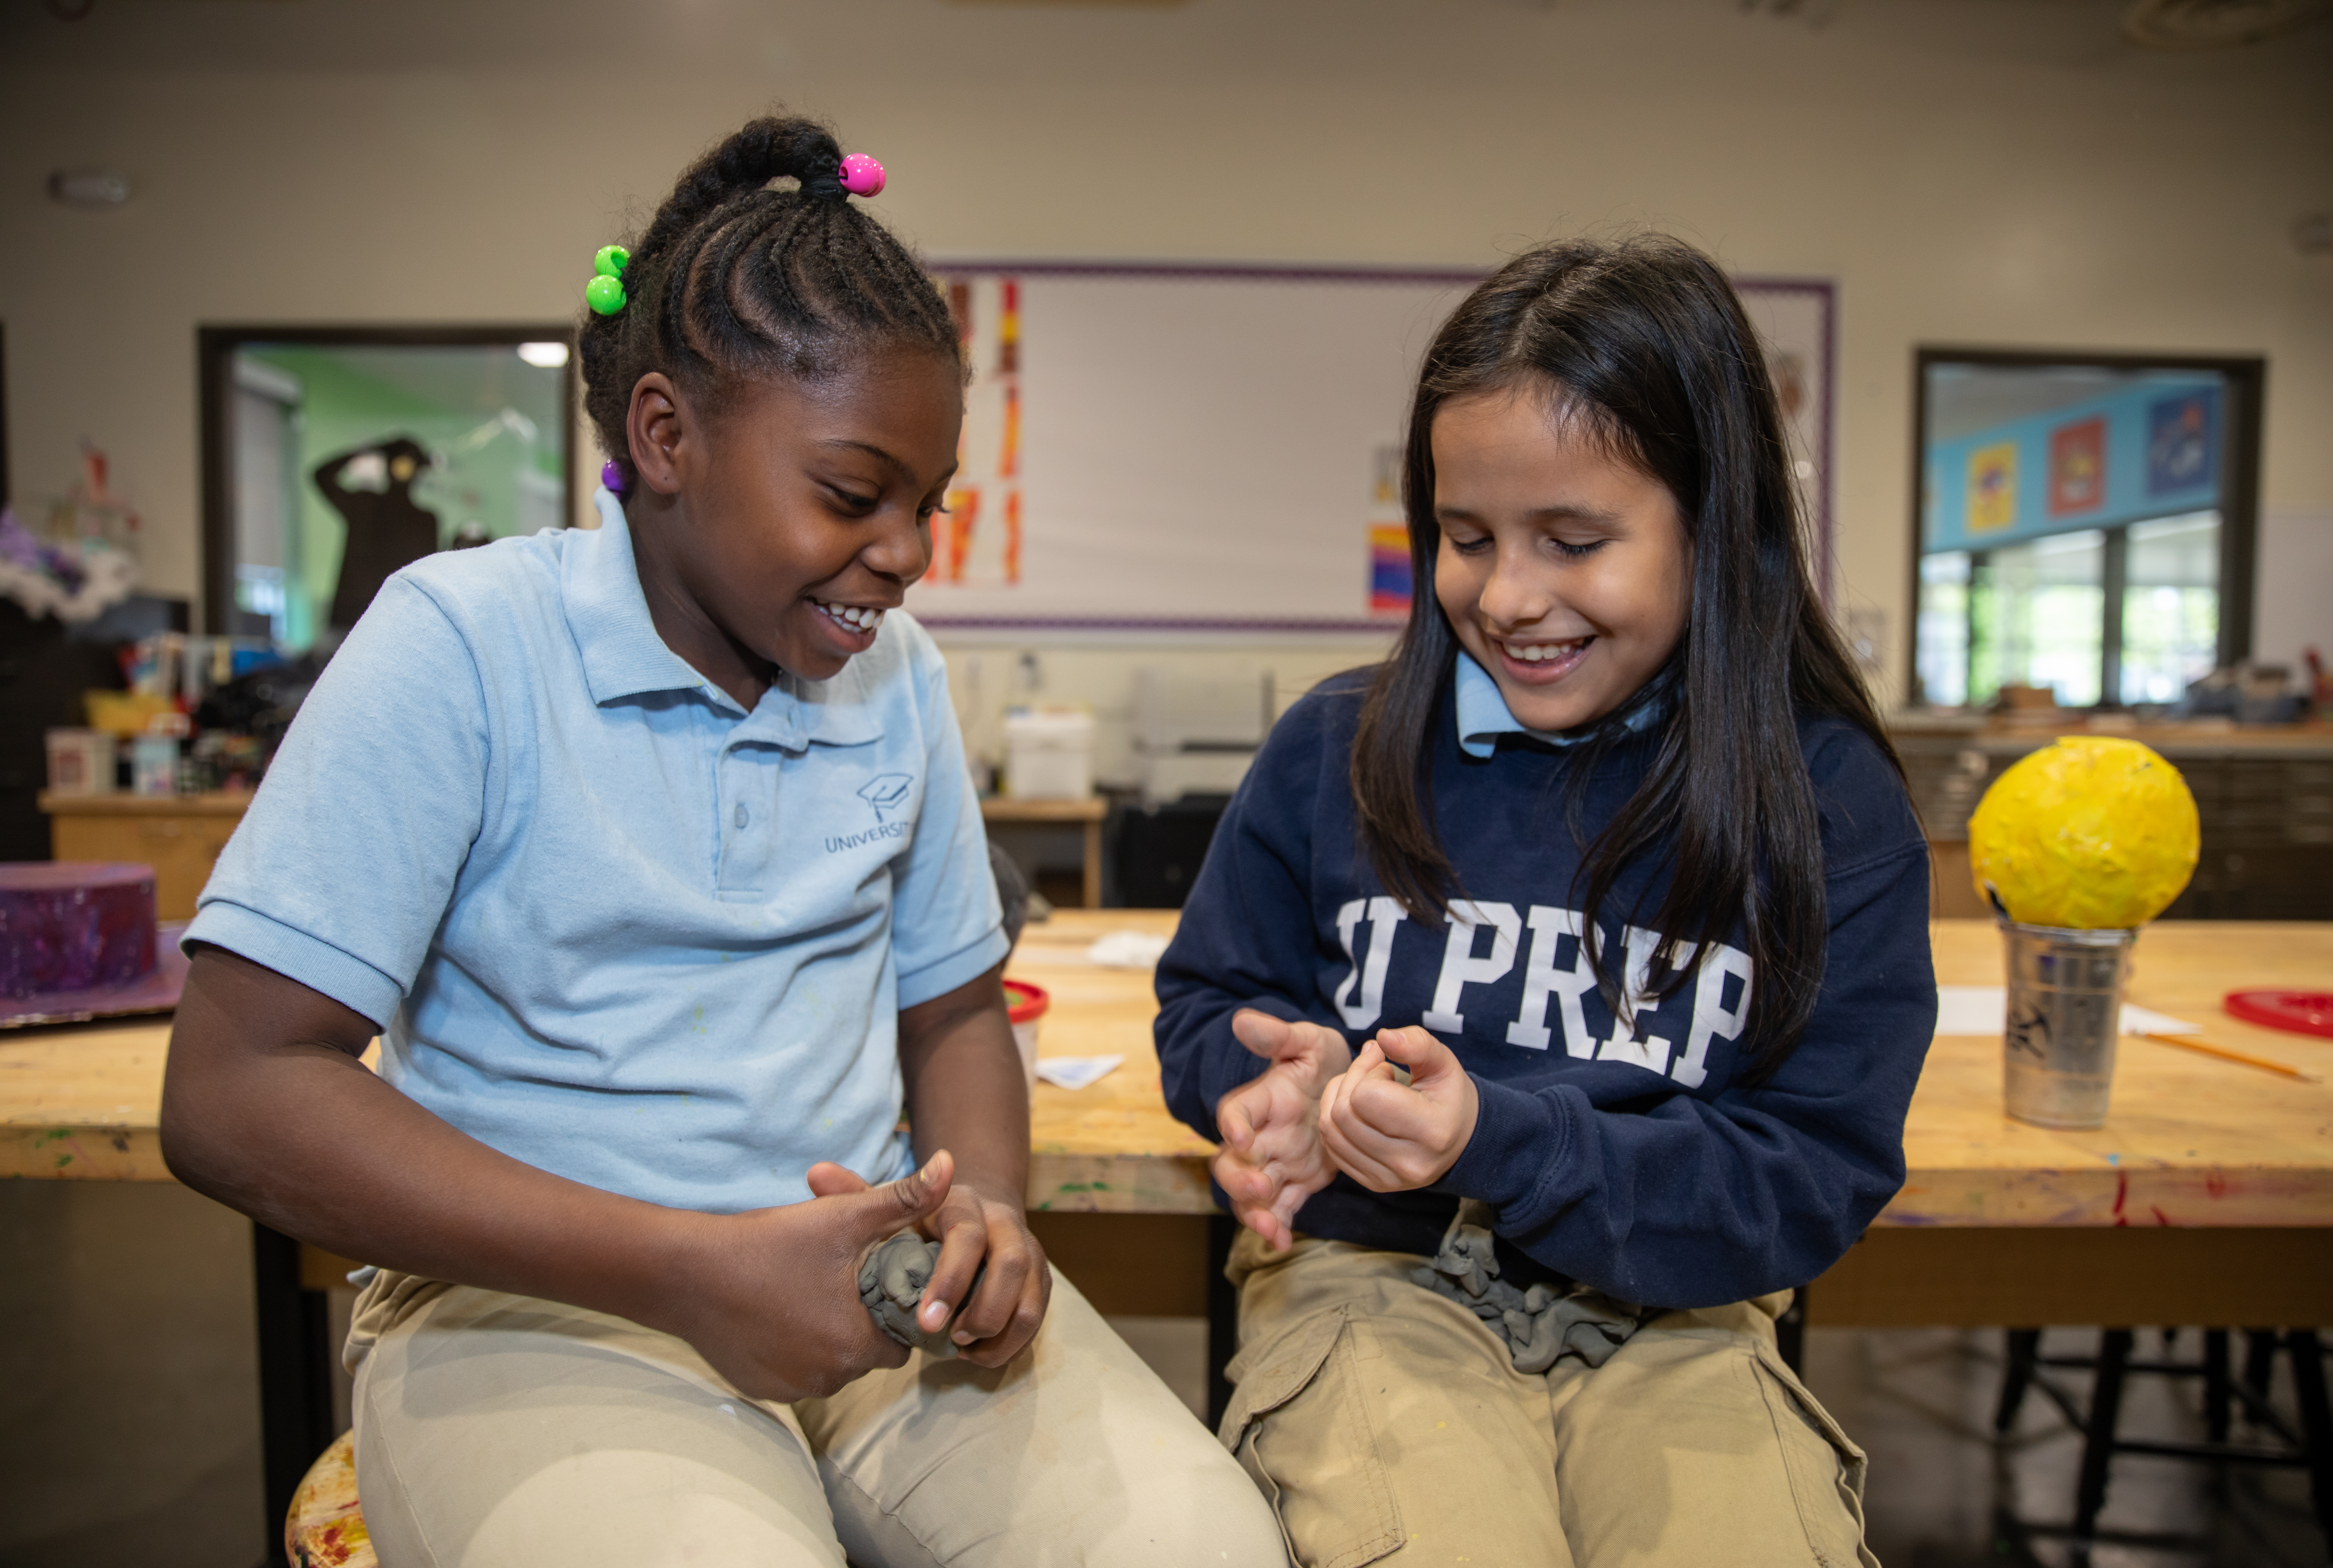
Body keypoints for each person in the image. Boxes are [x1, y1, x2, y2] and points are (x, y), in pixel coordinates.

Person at [163, 115, 1285, 1568]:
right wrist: (690, 1269)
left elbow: (949, 1010)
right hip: (537, 1307)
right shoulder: (464, 645)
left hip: (870, 1284)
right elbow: (235, 1090)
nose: (907, 552)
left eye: (926, 505)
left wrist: (988, 1208)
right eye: (850, 492)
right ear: (665, 436)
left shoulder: (900, 677)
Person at [1156, 235, 1935, 1567]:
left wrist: (1496, 1142)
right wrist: (1267, 1089)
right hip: (1374, 1285)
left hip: (1679, 1314)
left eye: (1571, 541)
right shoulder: (1331, 749)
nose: (1506, 597)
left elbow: (1813, 1172)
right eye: (1464, 538)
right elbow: (1210, 1001)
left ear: (1715, 521)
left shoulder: (1821, 795)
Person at [315, 435, 440, 629]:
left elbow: (322, 476)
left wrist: (369, 450)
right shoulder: (366, 505)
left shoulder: (367, 505)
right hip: (368, 618)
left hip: (382, 618)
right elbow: (321, 476)